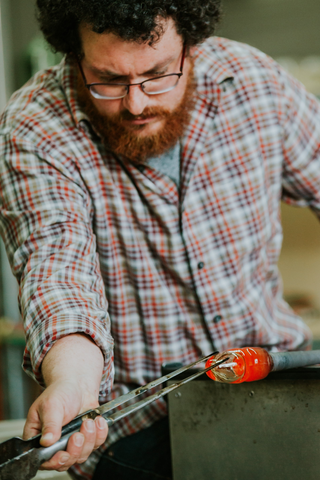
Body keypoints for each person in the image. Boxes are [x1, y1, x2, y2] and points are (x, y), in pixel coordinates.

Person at [0, 0, 318, 479]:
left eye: (158, 73)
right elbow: (56, 265)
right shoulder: (34, 126)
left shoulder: (254, 83)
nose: (136, 103)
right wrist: (72, 380)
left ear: (191, 43)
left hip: (278, 389)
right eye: (108, 79)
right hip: (135, 432)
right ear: (73, 53)